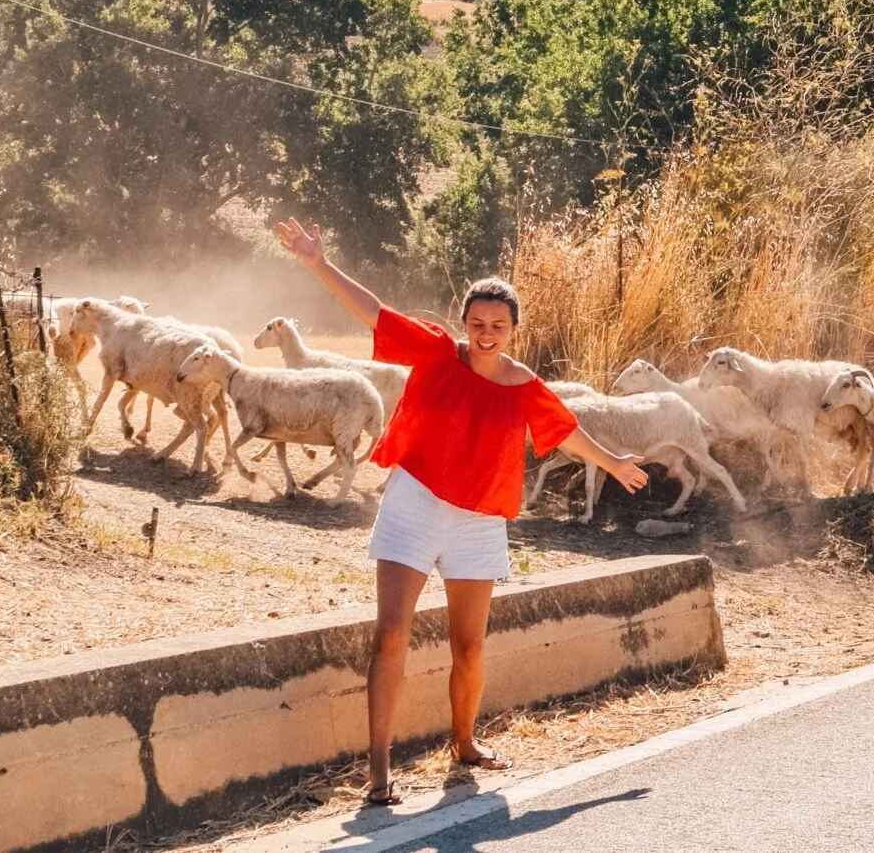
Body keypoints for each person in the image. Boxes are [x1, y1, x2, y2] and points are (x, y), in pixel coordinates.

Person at [275, 217, 649, 807]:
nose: (486, 333)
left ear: (513, 330)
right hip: (415, 500)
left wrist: (615, 460)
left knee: (470, 647)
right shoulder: (433, 350)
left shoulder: (523, 384)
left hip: (478, 519)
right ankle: (378, 771)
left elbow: (566, 431)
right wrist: (317, 261)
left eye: (498, 325)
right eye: (477, 323)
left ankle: (465, 744)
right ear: (464, 322)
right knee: (391, 632)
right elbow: (373, 311)